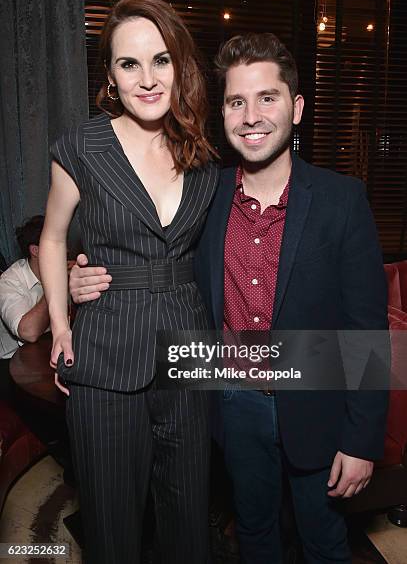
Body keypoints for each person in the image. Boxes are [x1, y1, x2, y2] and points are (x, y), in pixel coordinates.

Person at [70, 32, 389, 564]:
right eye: (237, 101)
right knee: (254, 534)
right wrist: (85, 284)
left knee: (325, 543)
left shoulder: (342, 200)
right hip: (233, 405)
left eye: (268, 98)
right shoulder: (202, 194)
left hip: (320, 409)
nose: (252, 115)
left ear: (297, 107)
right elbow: (151, 262)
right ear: (222, 113)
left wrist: (361, 440)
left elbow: (366, 332)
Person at [39, 0, 219, 564]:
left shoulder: (204, 152)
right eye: (129, 64)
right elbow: (51, 237)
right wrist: (62, 323)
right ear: (110, 78)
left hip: (190, 352)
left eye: (161, 60)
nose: (147, 79)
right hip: (105, 353)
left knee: (189, 517)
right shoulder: (81, 146)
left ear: (180, 66)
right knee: (113, 523)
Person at [0, 215, 50, 361]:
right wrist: (55, 287)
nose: (65, 250)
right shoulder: (8, 282)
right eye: (56, 244)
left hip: (47, 351)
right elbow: (29, 332)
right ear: (35, 251)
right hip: (12, 363)